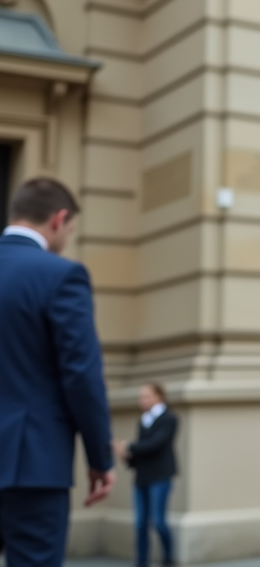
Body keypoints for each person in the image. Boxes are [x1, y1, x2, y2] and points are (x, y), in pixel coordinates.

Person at [0, 177, 115, 567]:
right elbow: (81, 373)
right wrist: (100, 456)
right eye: (71, 229)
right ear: (59, 219)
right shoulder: (61, 275)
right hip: (30, 461)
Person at [114, 383, 178, 567]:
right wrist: (127, 456)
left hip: (160, 476)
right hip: (142, 477)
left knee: (159, 522)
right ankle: (141, 562)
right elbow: (142, 451)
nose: (142, 400)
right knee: (140, 524)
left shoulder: (169, 418)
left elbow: (155, 445)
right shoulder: (143, 419)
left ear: (159, 397)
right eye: (141, 397)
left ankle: (168, 560)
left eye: (146, 396)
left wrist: (129, 446)